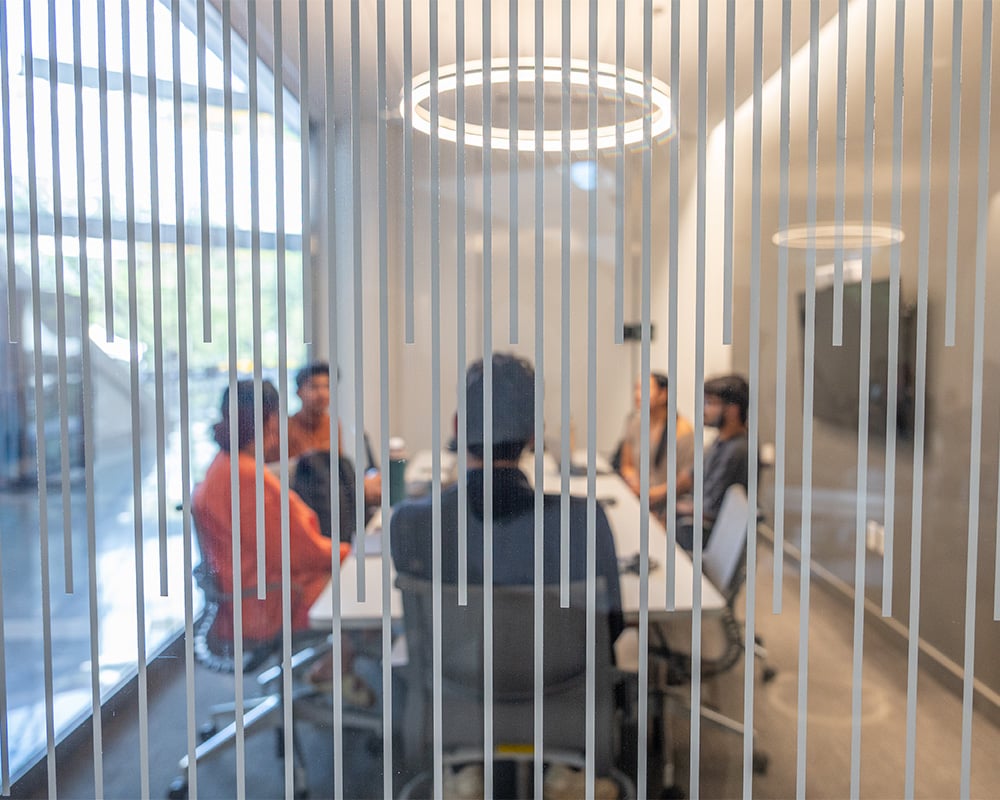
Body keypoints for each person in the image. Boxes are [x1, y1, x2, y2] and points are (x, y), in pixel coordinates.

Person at [390, 353, 623, 643]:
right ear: (534, 434)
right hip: (558, 684)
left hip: (456, 684)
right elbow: (611, 630)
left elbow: (419, 634)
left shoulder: (411, 523)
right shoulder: (583, 521)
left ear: (458, 427)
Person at [192, 379, 348, 645]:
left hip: (248, 600)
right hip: (274, 603)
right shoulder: (246, 478)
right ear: (269, 420)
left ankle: (336, 666)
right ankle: (339, 670)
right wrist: (350, 552)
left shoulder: (222, 465)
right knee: (366, 589)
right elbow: (299, 553)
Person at [287, 361, 381, 508]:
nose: (322, 393)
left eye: (327, 387)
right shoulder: (287, 427)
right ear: (298, 392)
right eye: (314, 387)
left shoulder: (332, 423)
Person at [676, 374, 750, 551]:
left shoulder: (736, 451)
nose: (703, 409)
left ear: (732, 410)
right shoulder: (722, 441)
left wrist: (669, 509)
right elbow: (691, 476)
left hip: (707, 536)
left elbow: (709, 510)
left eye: (710, 403)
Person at [615, 372, 695, 522]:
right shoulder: (635, 423)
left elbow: (685, 481)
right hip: (637, 498)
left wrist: (650, 494)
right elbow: (626, 463)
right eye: (636, 389)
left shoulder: (683, 430)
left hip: (665, 506)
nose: (637, 395)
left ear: (663, 394)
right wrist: (633, 480)